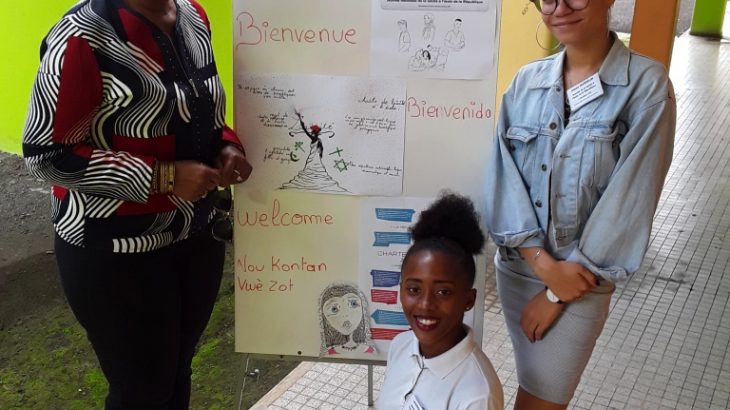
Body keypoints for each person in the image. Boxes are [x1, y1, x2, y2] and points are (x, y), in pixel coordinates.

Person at [21, 0, 252, 408]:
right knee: (141, 391)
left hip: (195, 236)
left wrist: (226, 146)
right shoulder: (81, 36)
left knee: (178, 373)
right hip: (116, 252)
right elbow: (48, 156)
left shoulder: (193, 16)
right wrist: (164, 177)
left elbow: (198, 109)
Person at [484, 0, 675, 409]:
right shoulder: (526, 81)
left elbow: (630, 200)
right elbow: (503, 177)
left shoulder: (646, 86)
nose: (561, 8)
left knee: (542, 400)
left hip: (582, 281)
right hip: (519, 267)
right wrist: (543, 266)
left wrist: (556, 292)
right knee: (527, 387)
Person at [378, 193, 504, 410]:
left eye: (443, 292)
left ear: (468, 299)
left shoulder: (478, 396)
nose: (425, 304)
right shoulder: (401, 345)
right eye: (414, 289)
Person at [318, 282, 376, 356]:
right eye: (334, 309)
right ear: (325, 319)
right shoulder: (329, 353)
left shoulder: (370, 351)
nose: (345, 315)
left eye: (353, 304)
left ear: (363, 309)